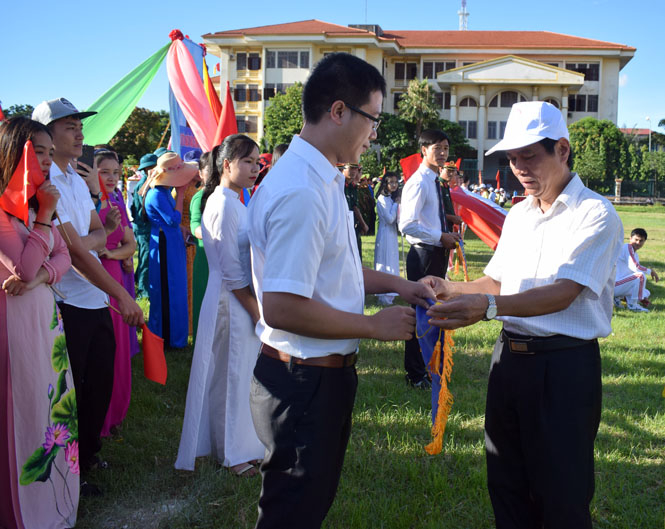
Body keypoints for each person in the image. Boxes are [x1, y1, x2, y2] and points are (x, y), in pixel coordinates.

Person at [246, 52, 435, 529]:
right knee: (291, 513)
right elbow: (284, 306)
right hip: (303, 380)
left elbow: (337, 273)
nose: (375, 133)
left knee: (305, 506)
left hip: (316, 377)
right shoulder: (302, 191)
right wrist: (372, 326)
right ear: (338, 112)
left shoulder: (323, 179)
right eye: (372, 119)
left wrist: (403, 286)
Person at [424, 101, 623, 529]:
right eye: (512, 158)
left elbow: (564, 293)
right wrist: (449, 288)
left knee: (561, 494)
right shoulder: (519, 214)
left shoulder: (595, 214)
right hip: (509, 362)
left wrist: (488, 308)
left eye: (529, 155)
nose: (519, 167)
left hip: (564, 366)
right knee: (507, 483)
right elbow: (496, 283)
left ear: (563, 150)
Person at [32, 98, 144, 494]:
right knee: (71, 391)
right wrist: (122, 294)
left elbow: (94, 237)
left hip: (95, 300)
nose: (80, 134)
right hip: (67, 302)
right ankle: (69, 471)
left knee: (99, 382)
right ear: (44, 135)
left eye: (80, 127)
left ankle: (89, 458)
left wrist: (90, 241)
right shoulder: (45, 184)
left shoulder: (79, 182)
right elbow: (77, 252)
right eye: (69, 127)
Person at [0, 117, 78, 528]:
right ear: (15, 153)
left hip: (45, 321)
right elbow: (24, 268)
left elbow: (59, 260)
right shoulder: (5, 209)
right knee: (24, 409)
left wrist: (45, 273)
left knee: (49, 406)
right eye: (39, 153)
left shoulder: (36, 206)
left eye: (50, 153)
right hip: (14, 327)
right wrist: (46, 220)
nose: (48, 162)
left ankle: (53, 502)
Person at [176, 135, 265, 476]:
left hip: (238, 297)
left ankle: (241, 445)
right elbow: (230, 270)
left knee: (240, 374)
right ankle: (230, 453)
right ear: (226, 165)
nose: (255, 168)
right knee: (230, 375)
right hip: (231, 299)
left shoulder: (236, 201)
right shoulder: (224, 204)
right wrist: (257, 311)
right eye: (248, 162)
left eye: (257, 162)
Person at [398, 129, 461, 389]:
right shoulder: (419, 181)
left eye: (446, 148)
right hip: (423, 254)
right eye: (438, 148)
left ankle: (428, 366)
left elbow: (427, 215)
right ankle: (415, 374)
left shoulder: (435, 180)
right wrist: (439, 236)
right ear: (423, 150)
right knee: (421, 313)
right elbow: (408, 224)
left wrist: (447, 223)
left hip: (436, 251)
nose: (443, 153)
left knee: (434, 311)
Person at [95, 150, 138, 436]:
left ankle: (114, 411)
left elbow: (130, 243)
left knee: (117, 348)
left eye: (115, 171)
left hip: (112, 276)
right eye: (105, 172)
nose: (111, 177)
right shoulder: (85, 201)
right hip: (88, 277)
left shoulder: (116, 201)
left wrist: (110, 252)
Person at [144, 152, 195, 349]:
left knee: (176, 287)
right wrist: (181, 194)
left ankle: (174, 337)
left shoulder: (162, 192)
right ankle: (168, 338)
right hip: (165, 244)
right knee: (169, 289)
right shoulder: (157, 194)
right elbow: (173, 219)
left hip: (170, 241)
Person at [189, 150, 214, 341]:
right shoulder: (200, 197)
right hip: (206, 260)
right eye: (209, 169)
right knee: (204, 305)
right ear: (201, 173)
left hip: (221, 259)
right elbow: (195, 226)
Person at [130, 153, 158, 299]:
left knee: (145, 258)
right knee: (146, 259)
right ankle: (143, 291)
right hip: (143, 228)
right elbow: (141, 211)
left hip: (143, 227)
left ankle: (139, 283)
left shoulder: (149, 183)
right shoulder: (145, 185)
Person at [614, 228, 659, 311]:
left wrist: (642, 297)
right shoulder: (627, 247)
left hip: (620, 284)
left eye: (641, 240)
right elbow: (635, 267)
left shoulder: (635, 253)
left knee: (646, 292)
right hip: (614, 285)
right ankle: (633, 305)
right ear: (630, 238)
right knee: (640, 276)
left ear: (644, 241)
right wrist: (650, 271)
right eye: (636, 239)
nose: (638, 243)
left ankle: (618, 299)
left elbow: (635, 269)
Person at [374, 172, 401, 305]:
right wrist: (396, 205)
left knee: (392, 259)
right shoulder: (382, 199)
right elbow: (390, 219)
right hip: (385, 233)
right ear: (385, 183)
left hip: (391, 234)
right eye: (391, 182)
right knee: (385, 260)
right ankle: (384, 294)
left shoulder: (390, 198)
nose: (394, 185)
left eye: (396, 182)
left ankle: (392, 291)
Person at [343, 163, 369, 254]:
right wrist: (363, 224)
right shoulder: (340, 186)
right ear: (343, 168)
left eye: (356, 169)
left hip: (353, 226)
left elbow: (355, 206)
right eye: (351, 168)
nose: (354, 171)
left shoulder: (352, 187)